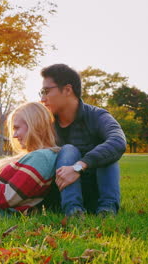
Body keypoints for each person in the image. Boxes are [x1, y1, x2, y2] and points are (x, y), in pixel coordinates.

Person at [39, 64, 127, 217]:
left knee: (106, 151)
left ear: (67, 90)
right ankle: (73, 212)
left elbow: (118, 141)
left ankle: (107, 211)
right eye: (41, 92)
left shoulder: (97, 116)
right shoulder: (44, 123)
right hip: (59, 196)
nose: (42, 99)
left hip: (95, 194)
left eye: (46, 91)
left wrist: (79, 166)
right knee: (68, 150)